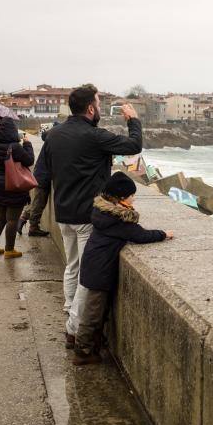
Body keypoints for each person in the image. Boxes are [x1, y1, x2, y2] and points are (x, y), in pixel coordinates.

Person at [42, 84, 141, 317]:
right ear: (89, 108)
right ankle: (75, 326)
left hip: (63, 213)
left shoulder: (54, 135)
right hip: (87, 215)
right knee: (86, 273)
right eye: (97, 103)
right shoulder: (95, 136)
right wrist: (133, 120)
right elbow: (134, 145)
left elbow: (44, 172)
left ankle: (68, 308)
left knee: (72, 266)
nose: (99, 108)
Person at [71, 172, 172, 365]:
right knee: (93, 312)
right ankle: (82, 352)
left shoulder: (103, 213)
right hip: (99, 271)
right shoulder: (116, 220)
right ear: (121, 198)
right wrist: (163, 234)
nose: (134, 198)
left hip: (95, 265)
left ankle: (93, 344)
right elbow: (139, 235)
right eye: (131, 195)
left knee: (97, 310)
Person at [0, 117, 34, 259]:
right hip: (13, 185)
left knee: (1, 218)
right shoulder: (15, 147)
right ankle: (9, 250)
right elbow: (29, 160)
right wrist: (27, 144)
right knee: (13, 219)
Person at [16, 146, 51, 237]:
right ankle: (33, 227)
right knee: (39, 203)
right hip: (43, 176)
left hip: (40, 174)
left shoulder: (50, 141)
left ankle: (22, 219)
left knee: (37, 201)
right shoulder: (54, 142)